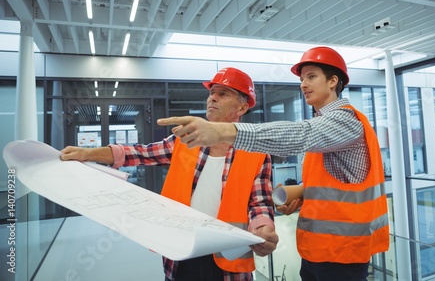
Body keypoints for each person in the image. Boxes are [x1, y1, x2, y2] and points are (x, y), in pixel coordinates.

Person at [157, 47, 390, 281]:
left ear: (333, 81)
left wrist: (223, 131)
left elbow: (300, 135)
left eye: (311, 77)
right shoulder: (324, 124)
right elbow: (338, 184)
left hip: (344, 256)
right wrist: (302, 196)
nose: (303, 84)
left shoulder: (345, 121)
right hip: (319, 251)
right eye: (301, 79)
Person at [60, 67, 279, 281]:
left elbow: (259, 204)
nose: (212, 98)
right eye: (211, 92)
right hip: (181, 249)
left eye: (223, 94)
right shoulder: (185, 141)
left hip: (230, 256)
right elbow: (139, 153)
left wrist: (263, 229)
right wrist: (88, 153)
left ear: (242, 108)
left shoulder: (257, 152)